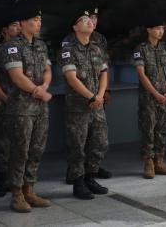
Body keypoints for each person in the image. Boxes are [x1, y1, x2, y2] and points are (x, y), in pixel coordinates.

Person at [2, 6, 53, 213]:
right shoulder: (12, 46)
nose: (38, 23)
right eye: (34, 19)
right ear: (22, 23)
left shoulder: (41, 45)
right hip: (21, 108)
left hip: (40, 107)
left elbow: (48, 70)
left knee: (36, 150)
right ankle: (16, 194)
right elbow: (16, 76)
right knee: (19, 151)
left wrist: (44, 87)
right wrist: (37, 90)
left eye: (40, 19)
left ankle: (29, 189)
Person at [59, 10, 110, 200]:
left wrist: (101, 95)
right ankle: (78, 182)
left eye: (90, 20)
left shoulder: (97, 49)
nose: (89, 22)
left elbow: (104, 72)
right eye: (83, 20)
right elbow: (71, 78)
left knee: (100, 143)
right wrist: (91, 97)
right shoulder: (68, 50)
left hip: (97, 106)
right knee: (77, 146)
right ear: (75, 28)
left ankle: (91, 177)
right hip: (78, 107)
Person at [134, 19, 166, 179]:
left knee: (163, 130)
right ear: (149, 30)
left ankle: (160, 161)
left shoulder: (165, 48)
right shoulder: (141, 49)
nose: (161, 31)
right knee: (149, 130)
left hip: (165, 96)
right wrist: (156, 94)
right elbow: (141, 74)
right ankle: (148, 163)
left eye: (162, 28)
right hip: (149, 98)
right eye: (157, 28)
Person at [0, 14, 22, 197]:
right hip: (5, 103)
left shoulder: (24, 48)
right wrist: (3, 97)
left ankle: (20, 181)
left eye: (19, 25)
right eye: (14, 25)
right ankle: (3, 180)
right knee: (4, 144)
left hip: (24, 104)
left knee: (21, 143)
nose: (18, 28)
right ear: (4, 30)